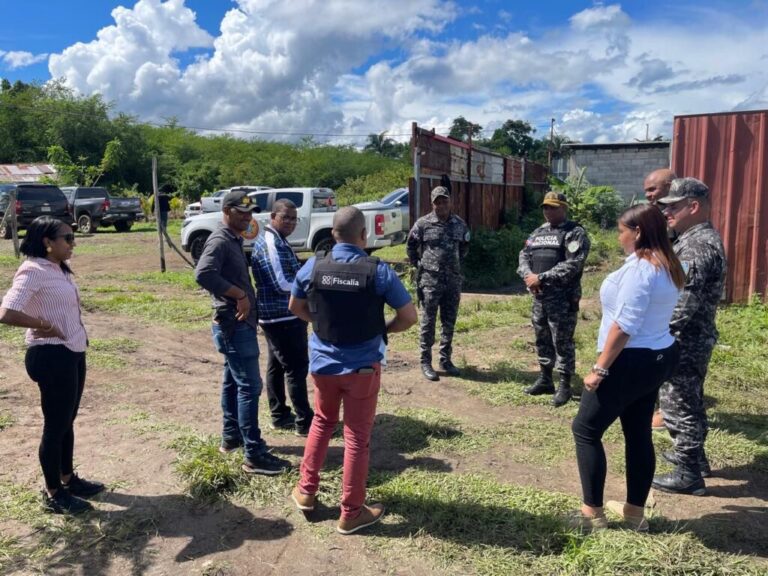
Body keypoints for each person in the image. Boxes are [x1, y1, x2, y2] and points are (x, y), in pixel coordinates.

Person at [288, 206, 417, 535]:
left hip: (322, 365)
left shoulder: (313, 266)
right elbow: (409, 317)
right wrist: (383, 330)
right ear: (364, 235)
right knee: (357, 437)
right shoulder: (379, 271)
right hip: (362, 368)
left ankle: (306, 491)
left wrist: (319, 323)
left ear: (333, 234)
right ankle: (351, 513)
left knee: (322, 422)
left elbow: (295, 306)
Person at [570, 204, 684, 531]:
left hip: (629, 360)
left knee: (585, 430)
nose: (618, 237)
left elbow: (624, 326)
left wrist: (600, 369)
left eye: (621, 231)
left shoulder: (642, 270)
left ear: (637, 232)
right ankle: (634, 514)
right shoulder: (667, 263)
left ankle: (592, 514)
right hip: (656, 357)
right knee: (637, 433)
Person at [0, 217, 104, 514]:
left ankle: (68, 478)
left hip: (72, 351)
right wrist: (43, 324)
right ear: (47, 242)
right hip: (51, 356)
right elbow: (6, 312)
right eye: (67, 238)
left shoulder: (58, 267)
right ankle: (53, 492)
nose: (73, 243)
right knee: (56, 425)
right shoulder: (33, 270)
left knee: (67, 420)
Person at [195, 189, 291, 475]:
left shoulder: (233, 239)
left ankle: (232, 437)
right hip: (234, 324)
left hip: (236, 324)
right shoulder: (220, 240)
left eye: (250, 212)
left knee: (233, 382)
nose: (247, 217)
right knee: (250, 386)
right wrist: (239, 294)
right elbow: (203, 273)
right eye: (241, 212)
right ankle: (254, 454)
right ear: (226, 211)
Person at [652, 178, 726, 495]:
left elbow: (682, 303)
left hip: (684, 340)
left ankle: (688, 473)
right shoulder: (693, 239)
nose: (666, 212)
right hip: (691, 337)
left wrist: (657, 337)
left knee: (678, 403)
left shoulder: (697, 246)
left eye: (673, 207)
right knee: (689, 400)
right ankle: (695, 458)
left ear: (693, 206)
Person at [518, 191, 590, 407]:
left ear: (564, 208)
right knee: (542, 337)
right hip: (539, 297)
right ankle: (545, 379)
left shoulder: (575, 233)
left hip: (563, 299)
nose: (548, 211)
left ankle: (565, 385)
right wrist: (528, 276)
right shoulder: (538, 232)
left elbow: (573, 263)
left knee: (562, 341)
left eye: (553, 207)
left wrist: (541, 277)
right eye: (545, 207)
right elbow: (524, 255)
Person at [251, 199, 314, 437]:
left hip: (280, 315)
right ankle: (304, 421)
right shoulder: (271, 242)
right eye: (285, 217)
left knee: (277, 365)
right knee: (296, 367)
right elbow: (282, 283)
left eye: (293, 218)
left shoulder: (279, 240)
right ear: (272, 217)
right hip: (282, 316)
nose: (290, 222)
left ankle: (279, 415)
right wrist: (309, 287)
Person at [406, 186, 469, 381]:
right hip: (430, 281)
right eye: (437, 202)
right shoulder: (423, 224)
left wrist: (452, 265)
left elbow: (465, 247)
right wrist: (419, 265)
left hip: (452, 281)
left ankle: (445, 359)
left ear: (450, 201)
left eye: (444, 201)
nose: (441, 205)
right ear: (432, 204)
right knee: (428, 322)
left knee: (449, 322)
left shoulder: (460, 224)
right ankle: (426, 361)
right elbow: (411, 247)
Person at [643, 167, 677, 429]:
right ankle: (657, 403)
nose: (649, 195)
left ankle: (667, 410)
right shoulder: (654, 215)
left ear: (669, 186)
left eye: (653, 189)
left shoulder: (675, 218)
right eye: (646, 191)